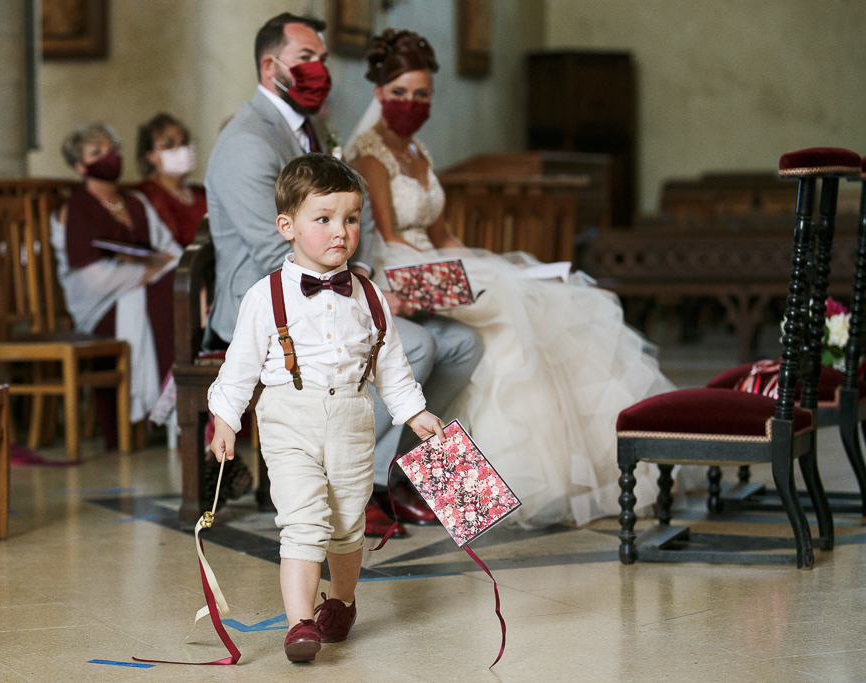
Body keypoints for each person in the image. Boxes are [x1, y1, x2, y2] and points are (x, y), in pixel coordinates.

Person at [346, 30, 675, 527]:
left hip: (435, 261)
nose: (411, 105)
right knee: (505, 330)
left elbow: (443, 233)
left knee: (530, 304)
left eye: (421, 95)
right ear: (379, 94)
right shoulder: (370, 156)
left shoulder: (419, 150)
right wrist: (460, 271)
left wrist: (498, 265)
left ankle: (446, 488)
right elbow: (389, 237)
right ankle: (451, 489)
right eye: (400, 95)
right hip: (398, 268)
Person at [204, 12, 482, 535]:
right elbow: (274, 247)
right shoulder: (248, 141)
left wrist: (372, 286)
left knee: (463, 343)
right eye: (306, 59)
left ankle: (399, 476)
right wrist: (365, 293)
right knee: (416, 346)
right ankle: (360, 490)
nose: (320, 70)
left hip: (337, 280)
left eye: (323, 59)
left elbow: (359, 219)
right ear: (271, 67)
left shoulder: (307, 128)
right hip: (274, 300)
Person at [208, 153, 445, 662]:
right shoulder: (265, 296)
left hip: (353, 420)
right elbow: (240, 365)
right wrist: (225, 418)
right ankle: (299, 623)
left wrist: (414, 413)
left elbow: (392, 367)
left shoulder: (370, 296)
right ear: (287, 226)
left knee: (346, 521)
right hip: (289, 417)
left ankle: (340, 600)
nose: (340, 231)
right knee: (303, 519)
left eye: (351, 219)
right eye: (324, 219)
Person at [50, 123, 182, 447]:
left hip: (139, 291)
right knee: (164, 295)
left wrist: (144, 267)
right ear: (80, 166)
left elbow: (171, 252)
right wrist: (145, 272)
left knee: (178, 293)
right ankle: (171, 413)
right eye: (97, 153)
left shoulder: (135, 202)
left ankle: (180, 409)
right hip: (99, 307)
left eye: (112, 150)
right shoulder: (75, 208)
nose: (109, 157)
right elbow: (92, 279)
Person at [135, 113, 207, 248]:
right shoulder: (145, 195)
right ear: (151, 156)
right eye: (169, 145)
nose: (181, 150)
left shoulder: (200, 192)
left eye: (185, 142)